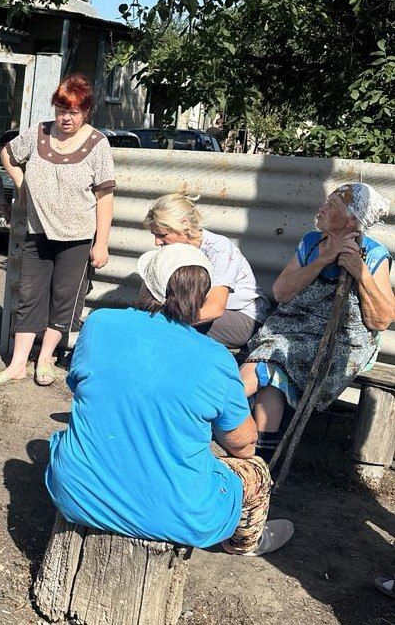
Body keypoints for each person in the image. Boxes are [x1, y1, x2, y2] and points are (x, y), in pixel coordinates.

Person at [46, 243, 294, 556]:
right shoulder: (216, 358)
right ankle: (244, 543)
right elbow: (242, 444)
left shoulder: (99, 323)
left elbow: (80, 385)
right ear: (202, 298)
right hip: (177, 515)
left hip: (75, 493)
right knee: (255, 470)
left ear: (147, 285)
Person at [239, 183, 394, 462]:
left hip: (341, 341)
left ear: (351, 221)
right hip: (291, 328)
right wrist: (322, 261)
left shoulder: (373, 254)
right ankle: (260, 463)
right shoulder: (312, 243)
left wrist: (362, 275)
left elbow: (381, 320)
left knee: (268, 362)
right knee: (272, 376)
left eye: (332, 206)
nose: (321, 209)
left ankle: (205, 414)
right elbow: (281, 292)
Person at [0, 74, 114, 387]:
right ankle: (18, 364)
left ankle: (45, 360)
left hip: (77, 238)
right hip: (37, 232)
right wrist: (21, 182)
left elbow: (105, 196)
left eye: (72, 112)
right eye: (60, 110)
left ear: (86, 112)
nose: (65, 118)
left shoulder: (98, 144)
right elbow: (7, 152)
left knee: (64, 300)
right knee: (29, 297)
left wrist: (102, 244)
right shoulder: (38, 133)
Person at [144, 192, 270, 348]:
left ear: (184, 225)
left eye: (162, 235)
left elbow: (215, 309)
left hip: (242, 318)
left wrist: (165, 322)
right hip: (197, 313)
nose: (157, 242)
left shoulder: (219, 249)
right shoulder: (174, 250)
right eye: (154, 235)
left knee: (162, 330)